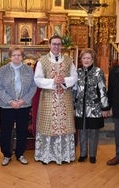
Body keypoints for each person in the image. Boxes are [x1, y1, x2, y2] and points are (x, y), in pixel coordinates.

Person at [34, 34, 78, 165]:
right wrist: (53, 81)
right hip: (48, 98)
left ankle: (64, 155)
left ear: (61, 46)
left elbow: (75, 76)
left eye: (59, 44)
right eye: (54, 44)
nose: (56, 46)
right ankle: (46, 156)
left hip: (65, 98)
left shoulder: (69, 60)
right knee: (47, 127)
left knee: (65, 126)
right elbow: (37, 79)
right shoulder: (42, 61)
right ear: (49, 45)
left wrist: (65, 80)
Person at [0, 45, 37, 166]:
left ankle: (20, 154)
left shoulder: (28, 70)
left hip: (23, 106)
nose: (16, 57)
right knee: (6, 131)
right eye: (14, 55)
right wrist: (10, 101)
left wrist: (23, 100)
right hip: (7, 106)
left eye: (19, 55)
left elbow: (33, 87)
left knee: (22, 130)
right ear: (10, 57)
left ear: (22, 57)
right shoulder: (3, 70)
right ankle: (7, 155)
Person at [74, 48, 110, 164]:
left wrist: (105, 107)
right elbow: (75, 90)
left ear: (93, 59)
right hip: (80, 108)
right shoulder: (77, 72)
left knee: (94, 132)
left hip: (94, 108)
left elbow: (103, 90)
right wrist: (74, 106)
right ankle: (83, 153)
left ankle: (93, 155)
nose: (86, 60)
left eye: (89, 58)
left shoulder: (98, 72)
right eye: (84, 58)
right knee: (82, 131)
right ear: (81, 59)